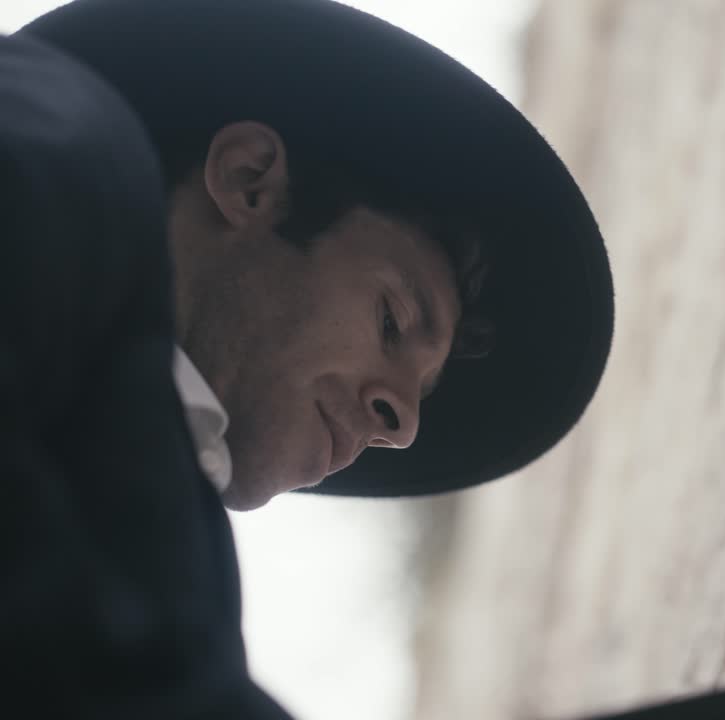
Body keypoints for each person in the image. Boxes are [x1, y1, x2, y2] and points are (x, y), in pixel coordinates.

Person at [1, 0, 613, 716]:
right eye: (393, 319)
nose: (403, 424)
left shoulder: (170, 529)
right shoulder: (60, 135)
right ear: (250, 181)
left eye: (417, 390)